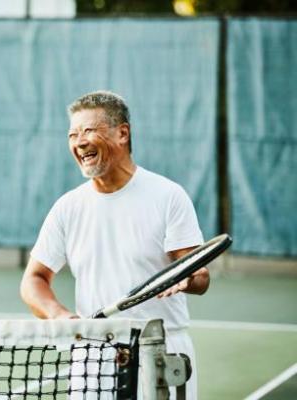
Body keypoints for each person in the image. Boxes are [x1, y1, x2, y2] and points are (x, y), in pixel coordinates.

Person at [19, 90, 208, 399]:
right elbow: (33, 280)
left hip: (161, 349)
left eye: (89, 131)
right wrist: (59, 315)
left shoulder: (168, 196)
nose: (79, 142)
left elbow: (200, 276)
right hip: (93, 353)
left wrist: (188, 278)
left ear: (122, 133)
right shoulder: (68, 207)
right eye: (72, 134)